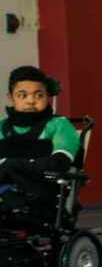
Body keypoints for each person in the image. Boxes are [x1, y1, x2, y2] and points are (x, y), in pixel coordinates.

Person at [0, 66, 79, 226]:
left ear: (47, 96)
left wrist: (11, 165)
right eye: (23, 95)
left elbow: (60, 162)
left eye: (39, 95)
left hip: (41, 197)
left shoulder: (59, 125)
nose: (31, 101)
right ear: (11, 97)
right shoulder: (2, 127)